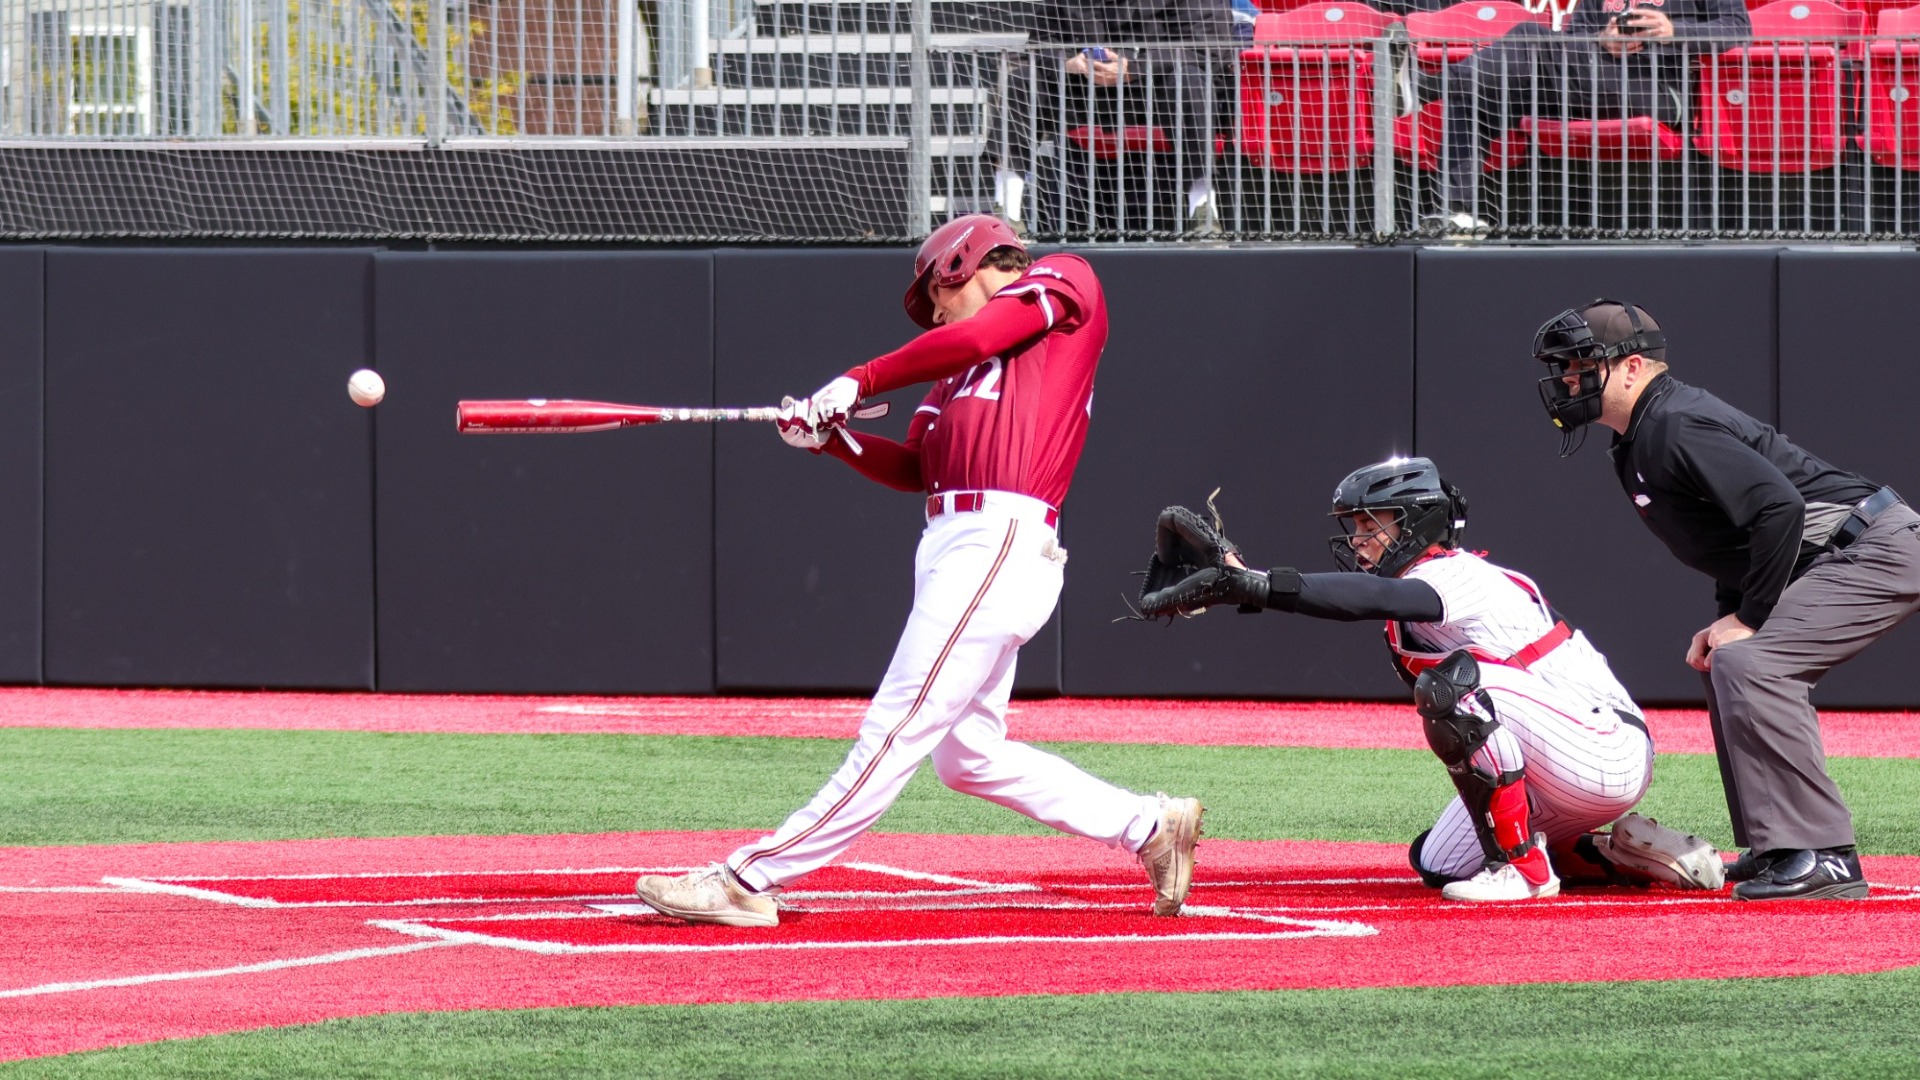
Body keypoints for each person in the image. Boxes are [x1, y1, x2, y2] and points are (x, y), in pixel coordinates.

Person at [634, 215, 1203, 927]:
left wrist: (860, 376)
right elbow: (917, 468)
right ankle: (1150, 826)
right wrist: (831, 442)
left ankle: (751, 877)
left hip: (999, 537)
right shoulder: (954, 371)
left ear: (967, 262)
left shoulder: (1064, 280)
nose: (935, 313)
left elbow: (975, 333)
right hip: (950, 540)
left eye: (937, 293)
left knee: (897, 724)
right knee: (966, 758)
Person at [1136, 457, 1724, 901]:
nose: (1361, 539)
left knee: (1452, 686)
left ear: (1418, 525)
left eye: (1374, 524)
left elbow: (1371, 597)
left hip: (1603, 747)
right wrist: (1249, 580)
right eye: (1356, 525)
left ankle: (1522, 869)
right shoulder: (1416, 590)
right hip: (1554, 761)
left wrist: (1257, 585)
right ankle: (1612, 851)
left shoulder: (1459, 572)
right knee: (1437, 862)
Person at [1532, 298, 1920, 901]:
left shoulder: (1672, 424)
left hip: (1873, 546)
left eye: (1581, 365)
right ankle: (1779, 847)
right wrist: (1728, 620)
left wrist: (1751, 618)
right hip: (1842, 552)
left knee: (1752, 661)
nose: (1567, 380)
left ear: (1632, 367)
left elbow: (1779, 509)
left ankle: (1827, 857)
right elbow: (1735, 545)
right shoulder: (1643, 435)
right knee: (1729, 659)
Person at [1426, 0, 1751, 231]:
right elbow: (1575, 40)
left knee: (1529, 35)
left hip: (1660, 89)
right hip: (1593, 80)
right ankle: (1456, 215)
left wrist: (1671, 30)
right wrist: (1603, 39)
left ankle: (1425, 86)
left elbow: (1739, 28)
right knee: (1481, 91)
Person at [994, 0, 1234, 232]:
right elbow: (1041, 43)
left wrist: (1133, 69)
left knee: (1190, 81)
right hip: (1085, 89)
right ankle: (1007, 213)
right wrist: (1068, 62)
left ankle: (1204, 210)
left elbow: (1205, 49)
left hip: (1155, 86)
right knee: (1022, 81)